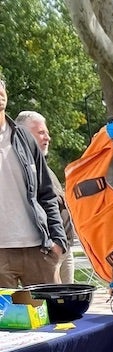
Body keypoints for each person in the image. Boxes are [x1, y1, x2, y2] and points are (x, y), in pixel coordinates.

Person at [0, 76, 66, 287]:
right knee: (5, 320)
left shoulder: (24, 138)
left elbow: (46, 193)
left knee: (53, 317)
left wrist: (57, 239)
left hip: (38, 248)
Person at [15, 110, 76, 283]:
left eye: (47, 133)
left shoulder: (45, 170)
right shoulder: (18, 169)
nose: (47, 138)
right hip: (46, 252)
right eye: (41, 132)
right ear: (24, 134)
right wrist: (51, 245)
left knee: (67, 306)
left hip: (63, 247)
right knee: (50, 306)